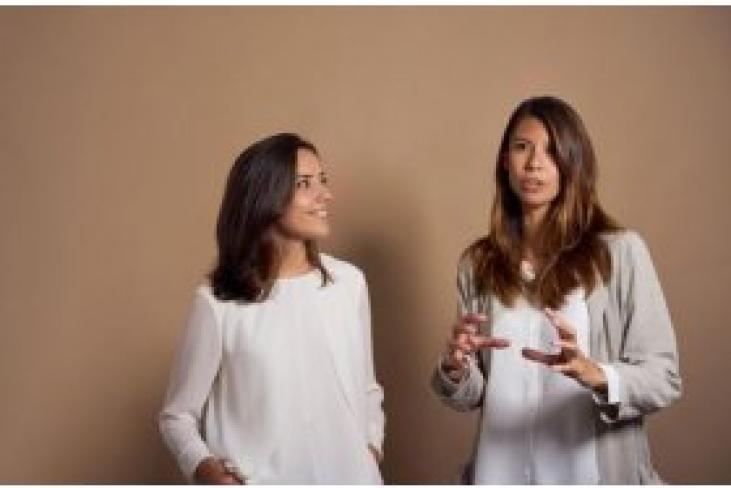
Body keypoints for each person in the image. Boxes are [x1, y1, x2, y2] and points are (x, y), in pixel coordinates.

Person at [432, 96, 681, 484]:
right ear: (505, 161)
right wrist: (456, 367)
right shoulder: (478, 263)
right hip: (500, 474)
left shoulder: (619, 253)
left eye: (551, 151)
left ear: (573, 162)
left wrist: (595, 373)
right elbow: (476, 394)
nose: (534, 163)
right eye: (522, 147)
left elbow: (663, 377)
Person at [159, 133, 385, 484]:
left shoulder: (349, 284)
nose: (325, 194)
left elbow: (367, 389)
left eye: (322, 180)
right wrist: (205, 469)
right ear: (265, 196)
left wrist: (371, 449)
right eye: (304, 184)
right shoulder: (218, 303)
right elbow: (177, 416)